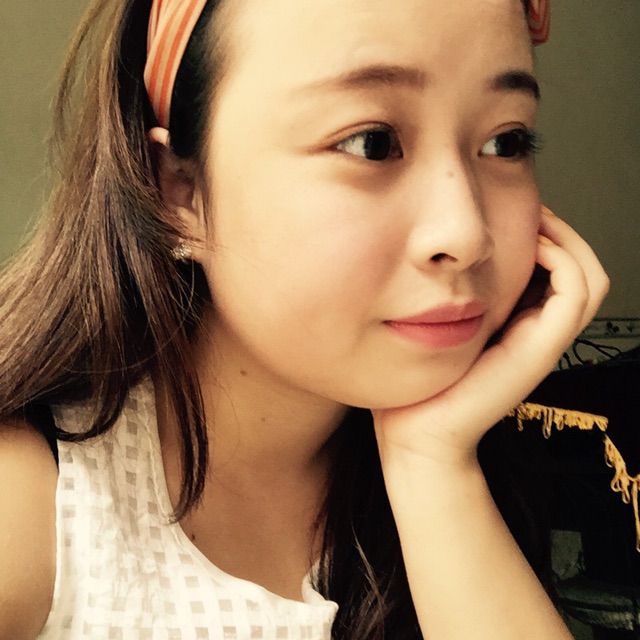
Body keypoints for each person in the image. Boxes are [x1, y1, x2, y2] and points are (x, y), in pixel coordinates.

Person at [0, 0, 609, 637]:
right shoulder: (37, 501)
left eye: (506, 141)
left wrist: (433, 465)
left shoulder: (481, 462)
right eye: (372, 143)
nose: (465, 233)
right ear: (179, 191)